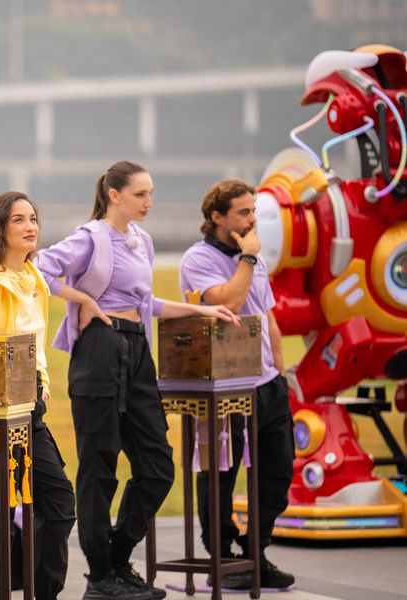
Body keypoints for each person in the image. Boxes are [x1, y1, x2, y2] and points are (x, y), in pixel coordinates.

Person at [36, 161, 239, 600]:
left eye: (151, 194)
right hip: (99, 349)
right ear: (114, 195)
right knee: (99, 467)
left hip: (137, 350)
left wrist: (200, 310)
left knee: (158, 465)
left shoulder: (141, 240)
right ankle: (101, 575)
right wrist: (83, 298)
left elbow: (146, 303)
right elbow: (38, 267)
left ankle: (115, 556)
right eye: (140, 194)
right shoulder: (91, 237)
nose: (148, 202)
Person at [0, 191, 77, 600]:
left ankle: (43, 592)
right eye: (19, 219)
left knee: (58, 503)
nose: (30, 226)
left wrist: (42, 382)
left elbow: (34, 343)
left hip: (29, 406)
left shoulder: (33, 278)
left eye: (33, 218)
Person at [178, 179, 295, 590]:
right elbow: (228, 302)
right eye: (243, 212)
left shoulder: (254, 257)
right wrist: (247, 257)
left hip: (267, 383)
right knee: (220, 475)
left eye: (253, 211)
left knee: (278, 473)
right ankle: (223, 555)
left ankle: (255, 551)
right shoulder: (198, 259)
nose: (252, 220)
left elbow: (268, 315)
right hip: (224, 385)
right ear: (217, 217)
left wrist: (281, 373)